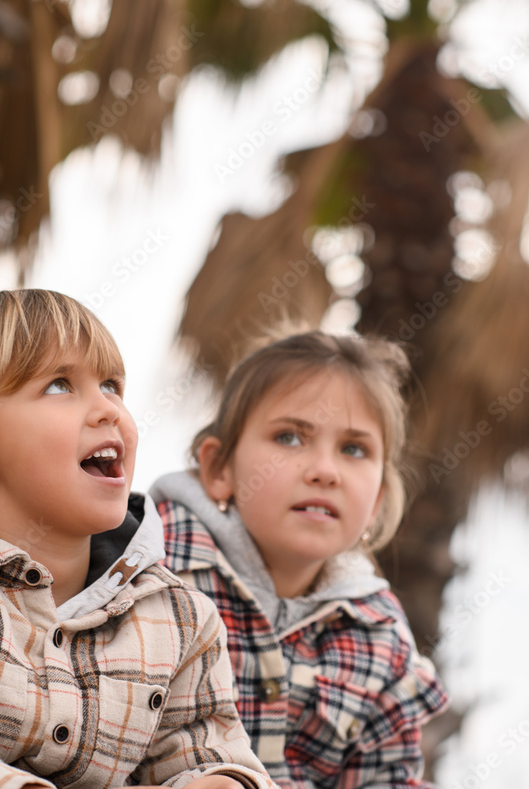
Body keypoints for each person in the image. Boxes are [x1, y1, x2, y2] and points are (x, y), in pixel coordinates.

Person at [0, 288, 279, 789]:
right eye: (60, 385)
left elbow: (203, 751)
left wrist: (218, 781)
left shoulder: (182, 618)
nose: (108, 410)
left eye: (111, 385)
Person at [150, 330, 449, 789]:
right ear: (219, 469)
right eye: (290, 437)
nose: (325, 471)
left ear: (376, 502)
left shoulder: (382, 638)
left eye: (354, 449)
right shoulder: (149, 564)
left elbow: (384, 776)